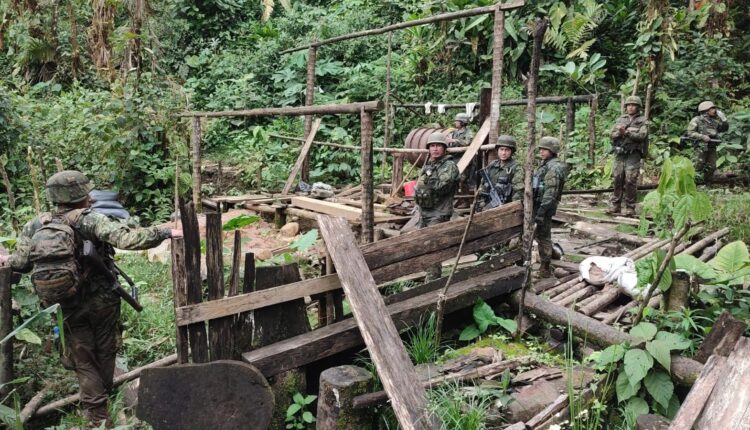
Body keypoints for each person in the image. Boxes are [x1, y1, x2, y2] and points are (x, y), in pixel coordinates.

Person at [0, 170, 182, 428]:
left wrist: (6, 260)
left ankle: (97, 417)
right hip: (103, 301)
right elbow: (127, 239)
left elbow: (20, 263)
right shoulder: (90, 219)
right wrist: (164, 233)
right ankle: (100, 407)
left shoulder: (36, 225)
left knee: (83, 359)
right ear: (82, 195)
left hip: (67, 303)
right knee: (106, 350)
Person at [414, 132, 460, 281]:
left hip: (439, 213)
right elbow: (419, 186)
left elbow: (442, 186)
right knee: (422, 245)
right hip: (425, 211)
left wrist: (428, 179)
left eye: (438, 146)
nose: (435, 149)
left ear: (444, 148)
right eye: (432, 146)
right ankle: (427, 276)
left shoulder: (449, 166)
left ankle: (432, 281)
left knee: (434, 247)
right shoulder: (429, 165)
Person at [608, 95, 648, 217]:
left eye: (633, 105)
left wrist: (626, 133)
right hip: (620, 153)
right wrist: (619, 133)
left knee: (630, 179)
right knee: (617, 178)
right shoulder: (621, 119)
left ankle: (630, 207)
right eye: (629, 105)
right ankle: (615, 205)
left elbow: (642, 136)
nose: (630, 107)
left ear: (638, 107)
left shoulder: (643, 121)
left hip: (633, 154)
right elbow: (612, 134)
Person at [533, 137, 567, 278]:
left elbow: (550, 193)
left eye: (545, 149)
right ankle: (551, 256)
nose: (541, 151)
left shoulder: (553, 168)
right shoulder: (546, 164)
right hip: (540, 205)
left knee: (543, 236)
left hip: (544, 207)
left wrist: (541, 212)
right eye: (540, 149)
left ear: (552, 151)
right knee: (541, 235)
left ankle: (545, 268)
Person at [478, 135, 525, 211]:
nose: (503, 153)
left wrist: (512, 208)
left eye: (507, 150)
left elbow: (519, 191)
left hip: (506, 206)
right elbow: (483, 186)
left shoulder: (516, 167)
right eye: (501, 149)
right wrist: (481, 203)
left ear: (511, 151)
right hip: (488, 204)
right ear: (497, 150)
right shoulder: (492, 165)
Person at [687, 100, 729, 184]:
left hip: (712, 146)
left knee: (712, 166)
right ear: (706, 110)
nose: (715, 110)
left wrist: (724, 119)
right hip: (700, 147)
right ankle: (692, 183)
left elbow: (724, 129)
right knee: (698, 165)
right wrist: (702, 136)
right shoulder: (696, 120)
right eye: (712, 108)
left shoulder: (714, 121)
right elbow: (690, 133)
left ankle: (707, 183)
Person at [447, 113, 475, 207]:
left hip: (464, 159)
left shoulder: (468, 132)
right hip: (454, 159)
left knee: (463, 180)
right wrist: (449, 141)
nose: (455, 123)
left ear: (462, 122)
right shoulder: (454, 132)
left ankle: (465, 201)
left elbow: (468, 142)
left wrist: (455, 141)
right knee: (452, 179)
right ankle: (454, 200)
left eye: (457, 121)